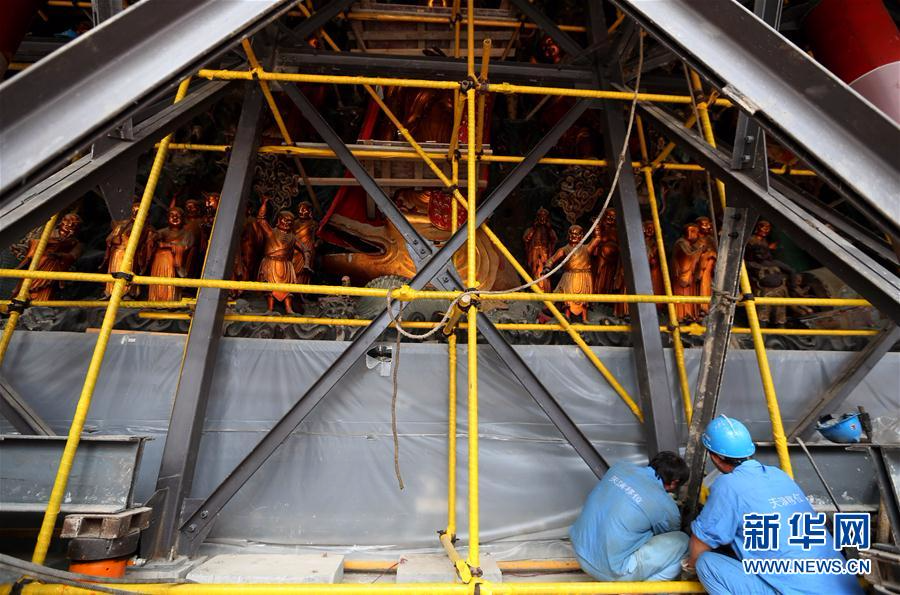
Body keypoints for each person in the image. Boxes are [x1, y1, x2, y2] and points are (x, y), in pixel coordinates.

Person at [687, 416, 864, 595]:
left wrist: (689, 572)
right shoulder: (778, 475)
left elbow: (700, 543)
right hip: (845, 588)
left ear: (714, 457)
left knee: (706, 564)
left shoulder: (728, 485)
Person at [570, 451, 690, 582]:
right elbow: (668, 534)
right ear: (674, 482)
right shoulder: (666, 506)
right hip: (610, 571)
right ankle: (647, 589)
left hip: (578, 551)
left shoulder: (619, 467)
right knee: (683, 542)